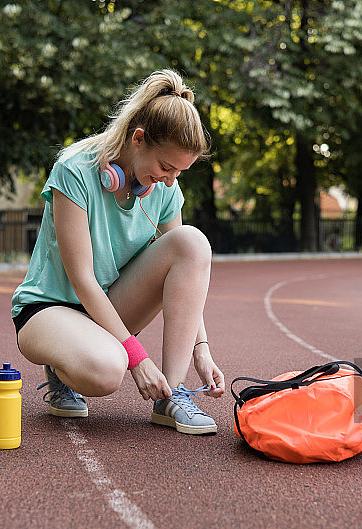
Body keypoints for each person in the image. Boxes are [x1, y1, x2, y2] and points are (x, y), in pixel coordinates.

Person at [11, 69, 224, 435]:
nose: (169, 181)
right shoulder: (74, 171)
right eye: (166, 167)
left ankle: (172, 395)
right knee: (108, 370)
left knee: (192, 242)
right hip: (48, 310)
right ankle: (61, 364)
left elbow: (187, 271)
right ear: (138, 139)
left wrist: (201, 349)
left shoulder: (164, 188)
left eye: (179, 172)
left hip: (108, 307)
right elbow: (83, 280)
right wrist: (137, 359)